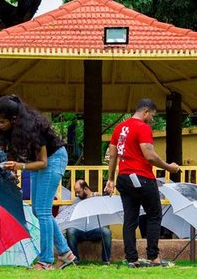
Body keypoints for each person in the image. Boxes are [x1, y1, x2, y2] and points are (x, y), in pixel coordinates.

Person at [0, 95, 75, 270]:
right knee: (37, 209)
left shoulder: (34, 128)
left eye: (1, 122)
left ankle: (46, 260)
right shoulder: (0, 124)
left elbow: (43, 162)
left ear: (14, 119)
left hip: (53, 159)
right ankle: (66, 253)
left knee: (42, 210)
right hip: (35, 162)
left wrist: (20, 165)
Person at [105, 98, 180, 268]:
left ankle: (132, 259)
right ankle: (153, 257)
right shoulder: (142, 127)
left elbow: (113, 156)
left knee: (130, 219)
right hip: (142, 177)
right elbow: (150, 156)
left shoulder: (119, 128)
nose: (152, 119)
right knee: (154, 215)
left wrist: (110, 179)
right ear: (145, 112)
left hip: (123, 178)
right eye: (152, 116)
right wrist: (169, 167)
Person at [65, 179, 112, 264]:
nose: (77, 194)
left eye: (79, 192)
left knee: (106, 232)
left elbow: (107, 204)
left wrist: (99, 197)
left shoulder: (98, 198)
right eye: (76, 192)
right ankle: (75, 260)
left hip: (94, 230)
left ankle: (106, 260)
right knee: (70, 231)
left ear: (86, 189)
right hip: (80, 230)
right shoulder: (76, 201)